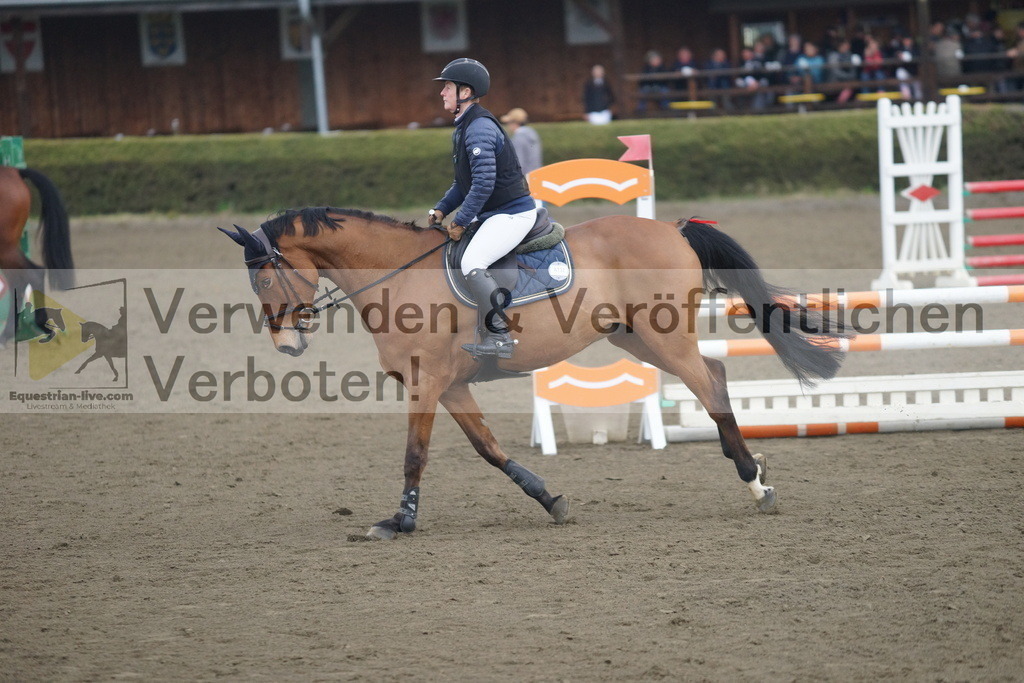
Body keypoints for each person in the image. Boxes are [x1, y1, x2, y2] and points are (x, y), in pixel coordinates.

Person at [428, 58, 536, 360]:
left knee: (473, 260)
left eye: (447, 87)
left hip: (512, 214)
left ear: (465, 92)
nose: (442, 93)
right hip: (496, 213)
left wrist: (460, 220)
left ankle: (499, 335)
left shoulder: (478, 129)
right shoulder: (465, 126)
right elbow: (464, 183)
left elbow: (484, 184)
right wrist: (442, 209)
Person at [499, 107, 543, 176]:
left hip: (525, 178)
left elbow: (519, 163)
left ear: (514, 122)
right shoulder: (532, 133)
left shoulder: (518, 138)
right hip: (535, 175)